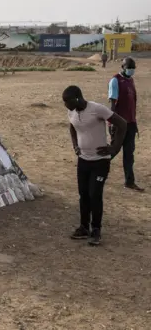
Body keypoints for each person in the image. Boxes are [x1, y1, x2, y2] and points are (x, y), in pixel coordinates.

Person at [63, 85, 126, 246]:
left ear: (77, 98)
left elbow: (122, 124)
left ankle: (96, 229)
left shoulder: (97, 109)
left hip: (100, 162)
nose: (65, 105)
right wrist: (75, 145)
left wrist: (114, 147)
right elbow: (72, 126)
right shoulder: (72, 112)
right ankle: (84, 227)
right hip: (83, 160)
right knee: (83, 194)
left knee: (94, 195)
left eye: (67, 101)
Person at [108, 57, 142, 191]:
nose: (131, 70)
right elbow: (112, 103)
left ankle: (129, 181)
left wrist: (134, 123)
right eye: (129, 67)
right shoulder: (115, 80)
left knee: (129, 154)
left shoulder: (131, 81)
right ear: (122, 67)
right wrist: (111, 123)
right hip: (119, 123)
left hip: (131, 123)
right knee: (113, 150)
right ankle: (95, 170)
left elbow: (132, 105)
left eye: (133, 68)